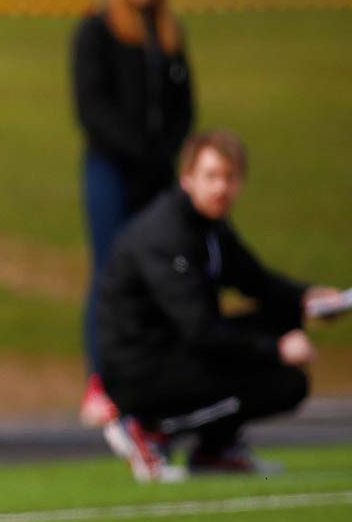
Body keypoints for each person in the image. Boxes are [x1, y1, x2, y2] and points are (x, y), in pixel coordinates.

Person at [97, 129, 338, 482]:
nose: (221, 188)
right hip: (140, 370)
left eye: (230, 178)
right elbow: (199, 329)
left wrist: (310, 298)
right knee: (285, 382)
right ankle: (145, 427)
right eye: (211, 176)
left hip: (179, 349)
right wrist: (275, 348)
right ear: (187, 178)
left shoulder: (210, 227)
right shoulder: (166, 234)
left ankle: (215, 450)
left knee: (284, 315)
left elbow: (257, 282)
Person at [73, 0, 195, 426]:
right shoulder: (96, 31)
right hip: (111, 171)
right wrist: (138, 151)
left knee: (162, 274)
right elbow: (92, 108)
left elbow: (184, 106)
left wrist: (166, 153)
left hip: (158, 174)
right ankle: (102, 381)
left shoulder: (166, 36)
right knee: (111, 271)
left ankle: (154, 379)